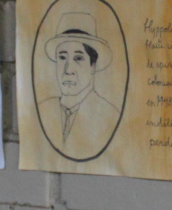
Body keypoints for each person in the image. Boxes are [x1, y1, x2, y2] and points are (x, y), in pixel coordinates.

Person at [36, 11, 121, 159]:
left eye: (78, 58)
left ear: (93, 66)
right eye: (62, 57)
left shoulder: (110, 116)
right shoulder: (42, 111)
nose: (68, 70)